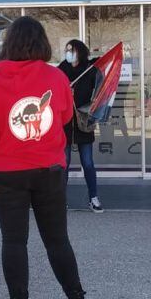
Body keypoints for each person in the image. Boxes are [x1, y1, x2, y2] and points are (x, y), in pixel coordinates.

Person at [0, 16, 92, 299]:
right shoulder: (55, 77)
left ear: (9, 43)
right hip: (48, 170)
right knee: (57, 240)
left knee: (14, 242)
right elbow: (64, 115)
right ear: (42, 43)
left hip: (7, 172)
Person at [57, 39, 103, 213]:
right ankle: (60, 199)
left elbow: (98, 89)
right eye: (67, 49)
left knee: (88, 162)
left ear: (80, 51)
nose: (69, 52)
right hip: (66, 121)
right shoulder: (62, 69)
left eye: (72, 50)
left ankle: (94, 197)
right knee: (64, 163)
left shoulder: (89, 69)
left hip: (83, 121)